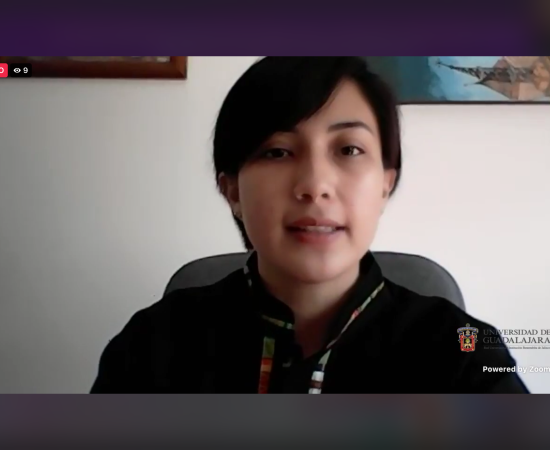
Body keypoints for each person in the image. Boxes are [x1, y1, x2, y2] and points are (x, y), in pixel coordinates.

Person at [91, 57, 528, 393]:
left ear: (385, 184)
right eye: (278, 152)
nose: (316, 185)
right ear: (232, 190)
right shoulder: (152, 345)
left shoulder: (464, 350)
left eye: (349, 149)